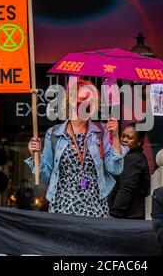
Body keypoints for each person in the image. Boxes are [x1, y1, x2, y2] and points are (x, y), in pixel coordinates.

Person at [26, 79, 127, 218]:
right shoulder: (54, 134)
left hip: (95, 209)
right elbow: (44, 178)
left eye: (91, 102)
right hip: (62, 208)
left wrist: (115, 136)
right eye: (82, 100)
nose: (86, 105)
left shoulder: (102, 131)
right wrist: (35, 156)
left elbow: (116, 169)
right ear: (71, 101)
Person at [109, 123, 150, 219]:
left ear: (139, 142)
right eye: (123, 136)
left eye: (129, 138)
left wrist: (114, 214)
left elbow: (126, 188)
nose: (124, 140)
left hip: (128, 217)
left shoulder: (134, 159)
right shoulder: (126, 156)